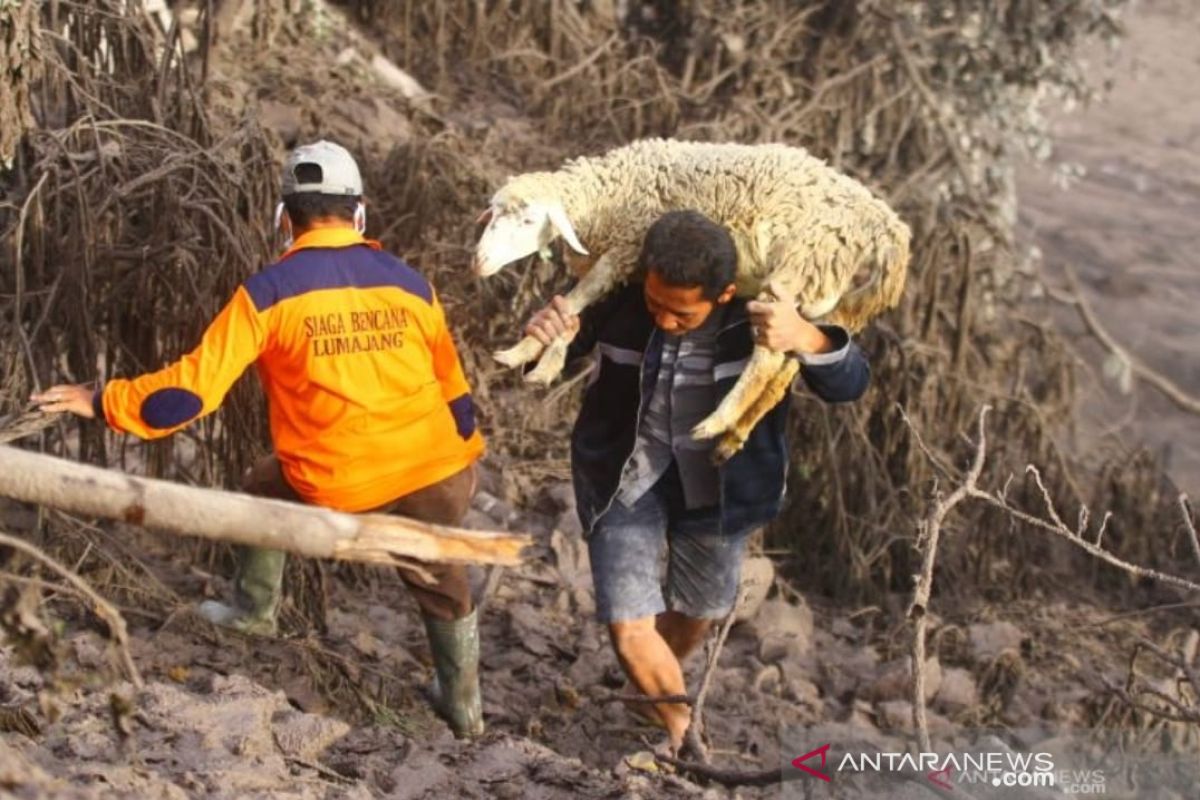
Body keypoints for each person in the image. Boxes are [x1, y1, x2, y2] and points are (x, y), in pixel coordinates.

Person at [32, 140, 488, 738]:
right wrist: (450, 469)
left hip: (341, 483)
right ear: (360, 214)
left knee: (263, 484)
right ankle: (465, 708)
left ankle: (253, 612)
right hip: (441, 470)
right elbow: (457, 395)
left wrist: (100, 400)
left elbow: (188, 395)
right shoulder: (412, 284)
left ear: (283, 218)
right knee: (440, 571)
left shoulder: (267, 294)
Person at [523, 209, 870, 752]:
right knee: (629, 621)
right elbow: (548, 362)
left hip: (719, 488)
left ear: (725, 293)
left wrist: (808, 337)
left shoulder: (760, 319)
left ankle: (652, 692)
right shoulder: (618, 299)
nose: (663, 320)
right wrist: (546, 337)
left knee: (698, 609)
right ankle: (686, 736)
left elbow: (850, 384)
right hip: (623, 477)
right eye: (654, 304)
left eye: (681, 314)